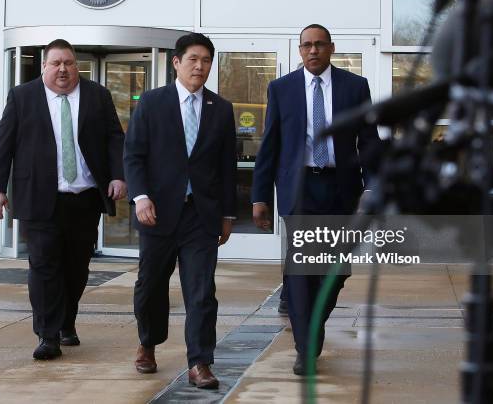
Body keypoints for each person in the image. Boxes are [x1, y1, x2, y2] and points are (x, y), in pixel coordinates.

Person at [252, 24, 379, 375]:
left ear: (331, 48)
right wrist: (260, 196)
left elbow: (368, 140)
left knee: (336, 271)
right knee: (299, 273)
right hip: (299, 189)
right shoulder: (282, 89)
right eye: (306, 45)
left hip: (341, 190)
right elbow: (270, 146)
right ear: (299, 50)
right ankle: (305, 348)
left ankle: (312, 326)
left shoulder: (355, 87)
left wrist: (372, 187)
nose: (312, 51)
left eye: (319, 45)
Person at [0, 39, 126, 360]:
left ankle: (66, 322)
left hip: (84, 198)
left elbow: (114, 139)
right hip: (39, 197)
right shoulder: (23, 97)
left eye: (69, 63)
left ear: (77, 65)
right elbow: (4, 144)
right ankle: (47, 335)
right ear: (44, 67)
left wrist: (118, 175)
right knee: (44, 266)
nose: (63, 69)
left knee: (76, 267)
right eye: (56, 63)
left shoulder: (97, 96)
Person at [124, 33, 237, 390]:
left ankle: (200, 361)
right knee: (151, 286)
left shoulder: (220, 109)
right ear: (176, 62)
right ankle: (148, 343)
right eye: (193, 59)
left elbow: (227, 167)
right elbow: (134, 155)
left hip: (200, 216)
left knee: (202, 290)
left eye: (206, 60)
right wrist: (140, 196)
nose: (200, 66)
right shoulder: (152, 103)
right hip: (157, 212)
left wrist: (228, 214)